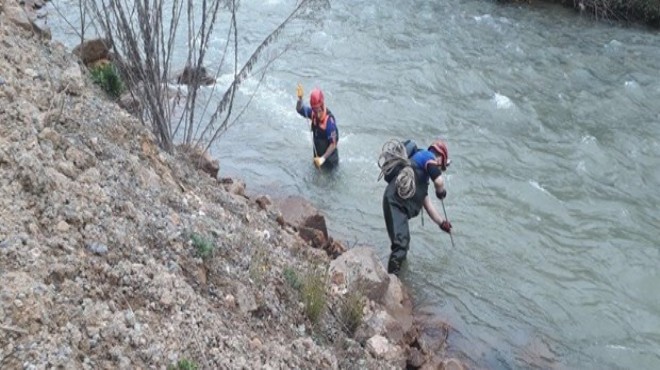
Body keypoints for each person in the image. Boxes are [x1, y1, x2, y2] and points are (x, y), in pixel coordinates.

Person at [379, 139, 453, 276]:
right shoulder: (426, 156)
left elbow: (428, 206)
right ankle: (391, 281)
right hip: (394, 203)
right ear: (440, 156)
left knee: (402, 244)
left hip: (395, 205)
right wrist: (440, 192)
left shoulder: (421, 175)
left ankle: (397, 278)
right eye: (441, 163)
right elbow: (439, 181)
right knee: (401, 244)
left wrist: (442, 223)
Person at [296, 83, 339, 169]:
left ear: (322, 106)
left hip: (330, 162)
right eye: (315, 110)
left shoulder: (329, 122)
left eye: (319, 110)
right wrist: (300, 99)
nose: (317, 114)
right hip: (317, 158)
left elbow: (333, 144)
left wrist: (322, 159)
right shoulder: (313, 114)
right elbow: (299, 109)